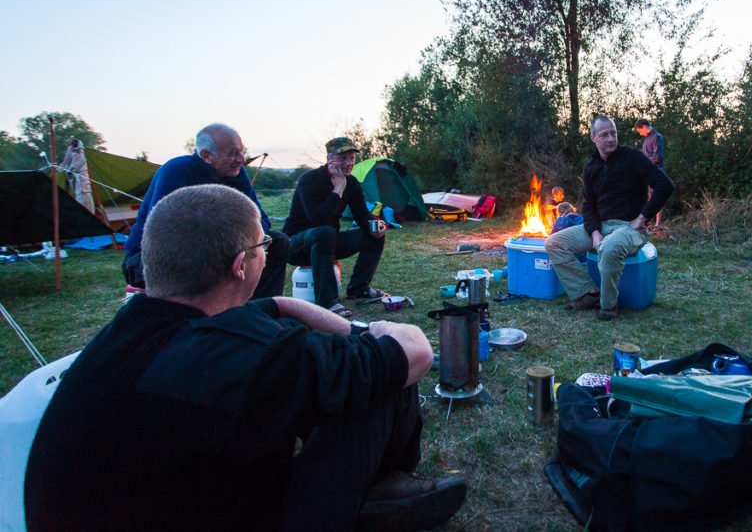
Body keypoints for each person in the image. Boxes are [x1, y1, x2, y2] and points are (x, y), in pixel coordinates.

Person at [24, 184, 466, 531]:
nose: (267, 254)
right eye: (262, 247)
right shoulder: (253, 357)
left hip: (116, 509)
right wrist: (377, 330)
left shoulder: (132, 328)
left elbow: (271, 308)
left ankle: (379, 493)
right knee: (378, 384)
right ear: (241, 265)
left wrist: (289, 306)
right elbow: (414, 353)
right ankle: (379, 494)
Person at [121, 122, 288, 298]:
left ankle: (260, 311)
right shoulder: (177, 171)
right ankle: (211, 317)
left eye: (241, 151)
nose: (242, 159)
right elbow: (163, 234)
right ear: (206, 156)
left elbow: (260, 219)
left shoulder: (235, 174)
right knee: (208, 259)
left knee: (277, 242)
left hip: (216, 249)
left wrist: (252, 240)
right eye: (233, 153)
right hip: (152, 261)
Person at [545, 116, 674, 321]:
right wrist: (594, 232)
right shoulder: (591, 167)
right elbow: (588, 206)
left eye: (613, 133)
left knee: (610, 247)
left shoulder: (634, 157)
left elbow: (665, 185)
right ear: (593, 137)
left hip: (631, 228)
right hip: (601, 226)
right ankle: (588, 294)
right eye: (604, 134)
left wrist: (643, 217)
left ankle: (609, 305)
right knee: (554, 243)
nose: (610, 138)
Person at [284, 137, 387, 312]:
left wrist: (375, 225)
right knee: (324, 232)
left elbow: (361, 214)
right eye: (343, 158)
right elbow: (318, 220)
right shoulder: (310, 180)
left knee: (373, 234)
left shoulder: (352, 183)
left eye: (352, 158)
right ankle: (328, 302)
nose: (349, 163)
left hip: (328, 242)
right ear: (329, 158)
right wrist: (338, 189)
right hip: (297, 245)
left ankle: (358, 287)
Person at [634, 118, 666, 227]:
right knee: (647, 197)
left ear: (644, 127)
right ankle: (647, 222)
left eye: (640, 131)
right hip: (646, 172)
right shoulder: (646, 139)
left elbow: (657, 157)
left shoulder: (657, 137)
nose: (641, 133)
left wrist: (644, 161)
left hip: (656, 172)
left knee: (656, 198)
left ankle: (657, 225)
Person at [59, 138, 95, 213]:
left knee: (84, 198)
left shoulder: (78, 152)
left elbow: (74, 166)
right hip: (80, 190)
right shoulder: (74, 153)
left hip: (83, 190)